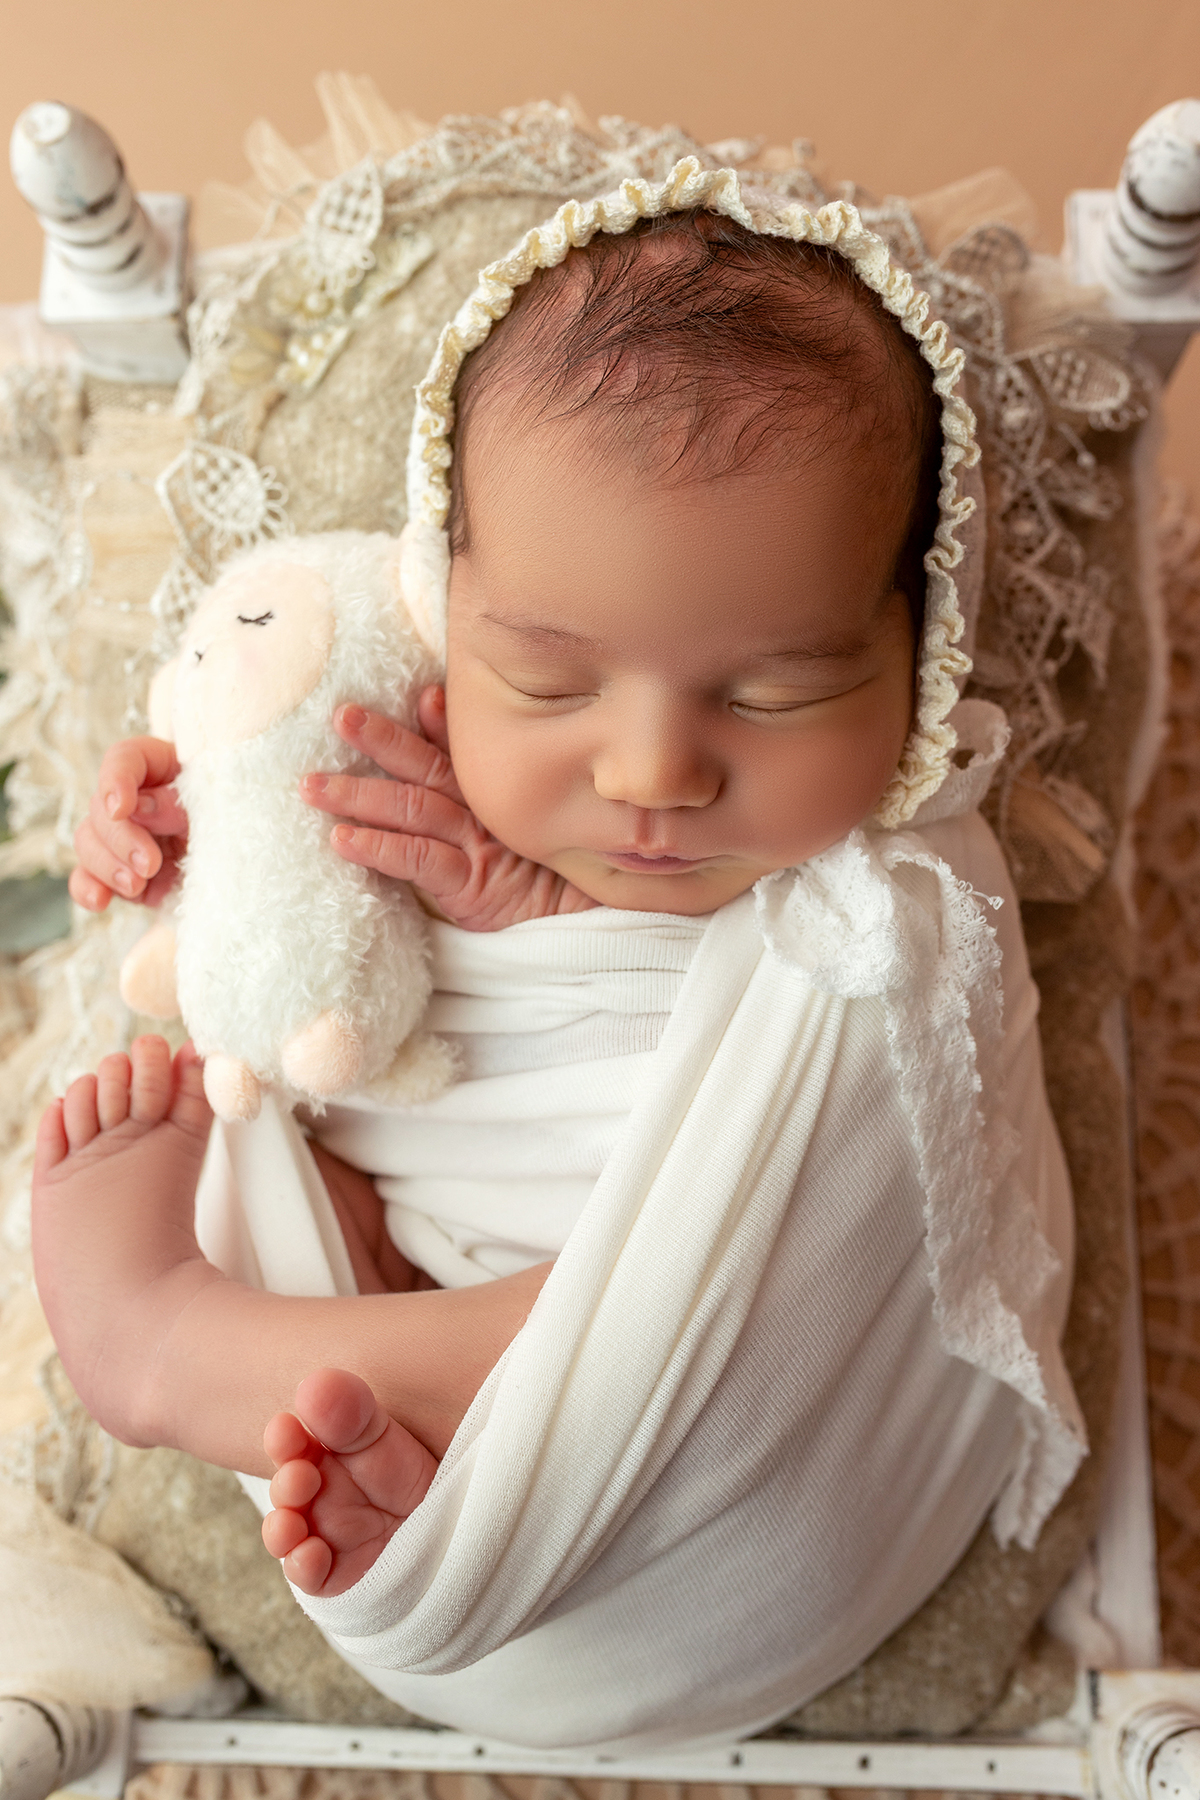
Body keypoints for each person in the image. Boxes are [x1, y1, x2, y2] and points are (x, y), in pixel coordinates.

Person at [32, 164, 1086, 1752]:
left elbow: (858, 1174)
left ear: (919, 648)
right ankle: (432, 1432)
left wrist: (557, 918)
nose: (654, 772)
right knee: (265, 1100)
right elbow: (283, 803)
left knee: (798, 1151)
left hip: (770, 1489)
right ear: (449, 607)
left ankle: (179, 1342)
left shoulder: (903, 897)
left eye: (778, 692)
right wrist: (190, 828)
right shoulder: (413, 710)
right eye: (547, 680)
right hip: (478, 1369)